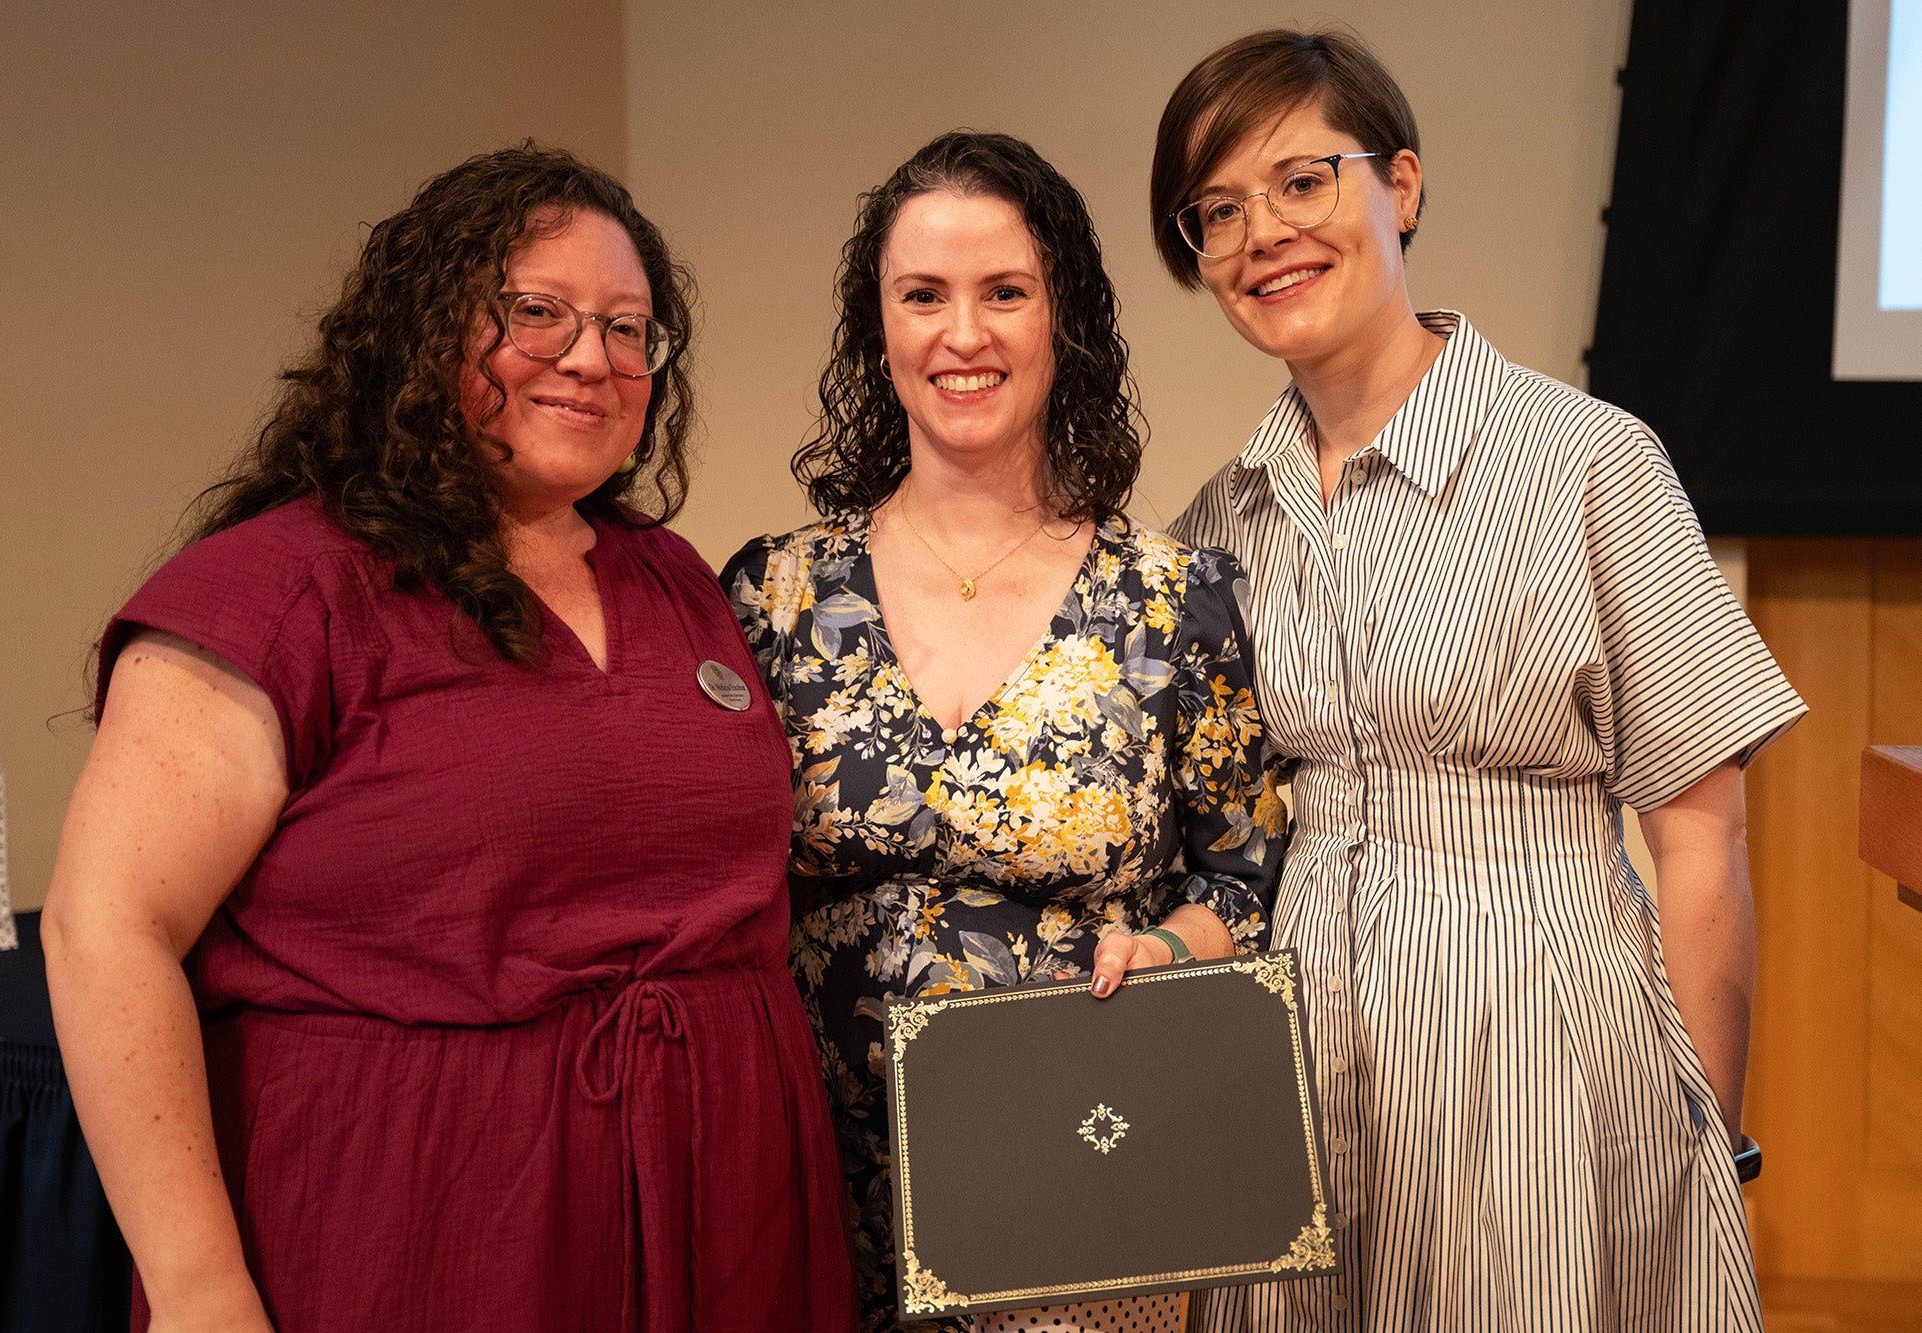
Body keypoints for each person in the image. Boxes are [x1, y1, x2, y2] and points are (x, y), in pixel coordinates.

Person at [42, 144, 854, 1332]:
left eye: (630, 329)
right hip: (423, 1219)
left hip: (725, 1219)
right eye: (537, 313)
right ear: (425, 333)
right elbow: (105, 928)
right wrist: (196, 1286)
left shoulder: (674, 579)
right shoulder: (282, 593)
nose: (593, 357)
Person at [1151, 29, 1806, 1332]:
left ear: (1399, 185)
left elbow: (1700, 835)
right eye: (1217, 211)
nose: (1263, 233)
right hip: (1297, 1088)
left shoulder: (1589, 460)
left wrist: (1706, 1135)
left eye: (1302, 181)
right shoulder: (1216, 522)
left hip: (1548, 1070)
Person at [721, 131, 1291, 1333]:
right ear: (876, 329)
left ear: (1062, 319)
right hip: (808, 1180)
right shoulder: (770, 595)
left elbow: (1240, 878)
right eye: (921, 295)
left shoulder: (1172, 599)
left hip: (1075, 1190)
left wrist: (1170, 950)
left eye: (1004, 293)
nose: (961, 334)